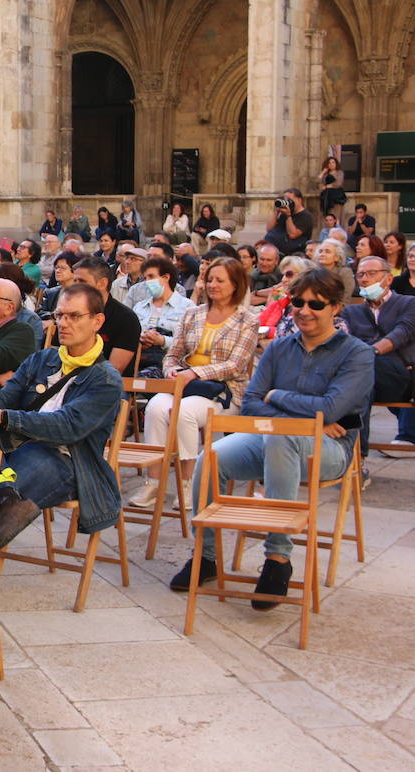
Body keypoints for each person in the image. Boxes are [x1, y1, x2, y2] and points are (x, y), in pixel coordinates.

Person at [168, 268, 373, 604]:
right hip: (279, 437)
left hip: (331, 448)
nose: (304, 310)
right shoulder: (279, 348)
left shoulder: (357, 353)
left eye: (315, 304)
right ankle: (205, 556)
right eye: (297, 302)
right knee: (212, 456)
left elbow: (333, 407)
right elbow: (250, 402)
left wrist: (275, 395)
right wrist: (310, 419)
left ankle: (277, 559)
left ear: (336, 308)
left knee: (283, 439)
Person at [0, 283, 125, 549]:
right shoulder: (41, 359)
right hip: (16, 446)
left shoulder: (106, 379)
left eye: (74, 316)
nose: (63, 323)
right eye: (60, 315)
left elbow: (66, 426)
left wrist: (4, 417)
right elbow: (5, 397)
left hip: (67, 459)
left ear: (97, 321)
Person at [132, 257, 258, 507]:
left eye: (220, 280)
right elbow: (173, 353)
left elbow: (235, 365)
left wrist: (196, 373)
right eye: (209, 279)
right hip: (184, 383)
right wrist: (172, 370)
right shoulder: (193, 314)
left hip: (224, 390)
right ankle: (153, 483)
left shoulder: (247, 320)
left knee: (184, 413)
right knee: (156, 407)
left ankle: (188, 483)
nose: (212, 285)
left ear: (235, 284)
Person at [345, 255, 415, 448]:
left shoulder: (409, 303)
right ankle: (358, 459)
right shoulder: (351, 313)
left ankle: (354, 457)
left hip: (399, 376)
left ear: (389, 278)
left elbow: (402, 333)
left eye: (371, 273)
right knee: (361, 387)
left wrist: (369, 353)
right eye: (360, 275)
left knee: (358, 376)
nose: (365, 278)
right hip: (367, 378)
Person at [69, 257, 140, 374]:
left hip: (106, 386)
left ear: (102, 283)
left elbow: (112, 371)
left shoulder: (126, 319)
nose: (75, 288)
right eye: (74, 281)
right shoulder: (69, 314)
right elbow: (57, 355)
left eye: (82, 281)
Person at [132, 257, 191, 375]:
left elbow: (190, 344)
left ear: (166, 277)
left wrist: (163, 341)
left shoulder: (187, 307)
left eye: (151, 277)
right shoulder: (139, 307)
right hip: (140, 361)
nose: (147, 282)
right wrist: (141, 339)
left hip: (171, 367)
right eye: (145, 278)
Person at [263, 188, 313, 257]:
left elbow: (292, 234)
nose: (288, 202)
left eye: (290, 199)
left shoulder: (305, 216)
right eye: (285, 199)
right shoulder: (284, 213)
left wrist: (288, 216)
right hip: (276, 248)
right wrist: (276, 212)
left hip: (293, 252)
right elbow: (269, 228)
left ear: (299, 200)